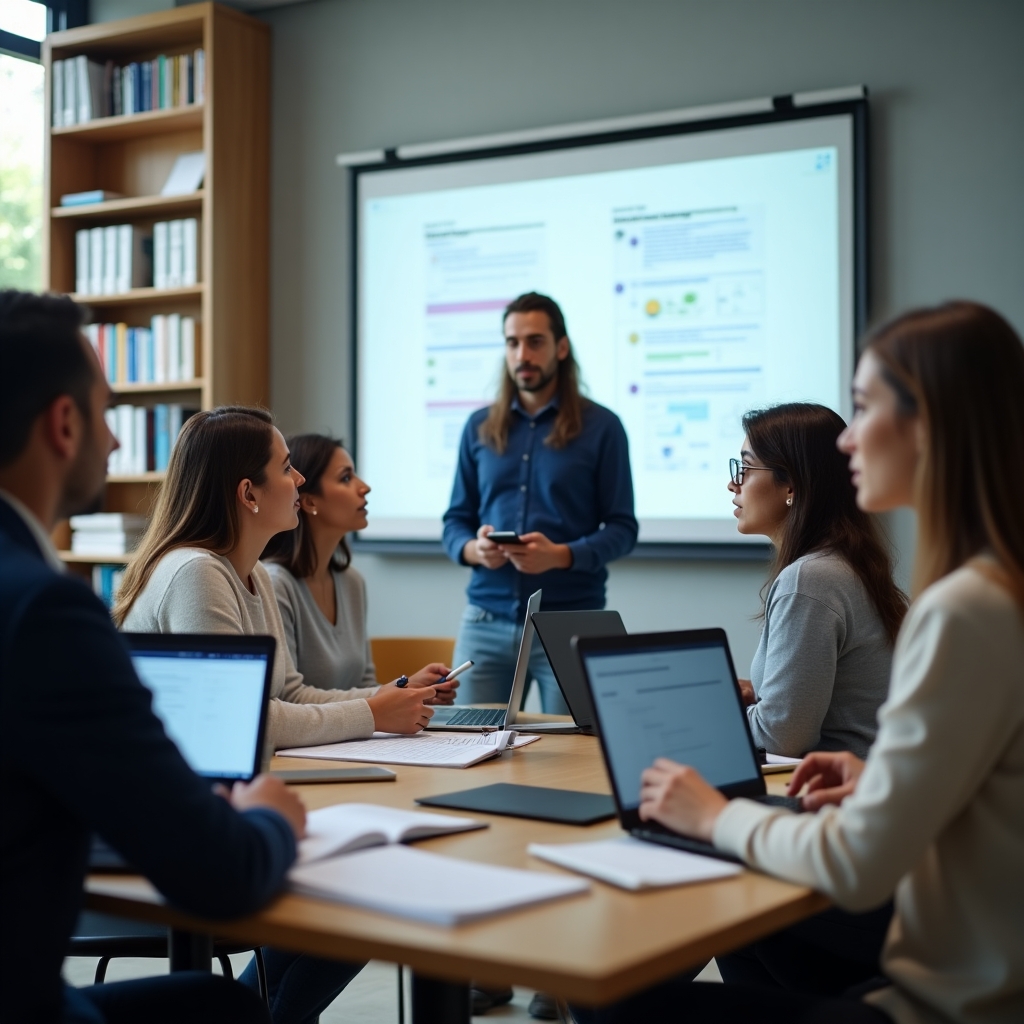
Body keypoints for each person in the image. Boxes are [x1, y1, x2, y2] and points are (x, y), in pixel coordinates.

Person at [575, 301, 1024, 1023]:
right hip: (969, 962)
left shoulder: (959, 606)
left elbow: (858, 860)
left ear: (930, 425)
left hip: (945, 1000)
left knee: (607, 991)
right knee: (742, 939)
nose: (848, 445)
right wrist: (880, 777)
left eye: (865, 406)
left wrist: (716, 815)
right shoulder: (995, 588)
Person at [0, 289, 304, 1024]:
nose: (113, 442)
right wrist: (272, 819)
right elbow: (218, 874)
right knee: (226, 1010)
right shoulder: (45, 611)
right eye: (105, 415)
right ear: (64, 424)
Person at [114, 406, 448, 1024]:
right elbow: (247, 723)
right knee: (366, 882)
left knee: (371, 878)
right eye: (287, 468)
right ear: (248, 492)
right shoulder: (196, 573)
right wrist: (372, 713)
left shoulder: (249, 576)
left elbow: (288, 695)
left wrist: (382, 704)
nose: (297, 481)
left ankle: (257, 1011)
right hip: (173, 827)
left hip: (224, 801)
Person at [443, 292, 638, 716]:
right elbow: (455, 521)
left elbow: (623, 529)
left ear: (561, 348)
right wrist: (475, 549)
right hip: (485, 620)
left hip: (570, 624)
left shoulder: (603, 428)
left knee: (576, 756)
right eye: (512, 343)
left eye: (535, 342)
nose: (522, 354)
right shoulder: (478, 427)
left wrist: (562, 556)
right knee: (463, 745)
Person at [728, 403, 907, 759]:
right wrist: (761, 703)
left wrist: (710, 714)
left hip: (838, 797)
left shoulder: (810, 579)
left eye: (745, 468)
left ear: (791, 484)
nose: (733, 482)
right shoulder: (843, 565)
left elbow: (783, 737)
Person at [261, 432, 456, 697]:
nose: (364, 487)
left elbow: (365, 685)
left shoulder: (352, 582)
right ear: (308, 501)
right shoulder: (275, 583)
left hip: (354, 739)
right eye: (346, 478)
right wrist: (400, 692)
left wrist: (409, 693)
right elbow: (289, 698)